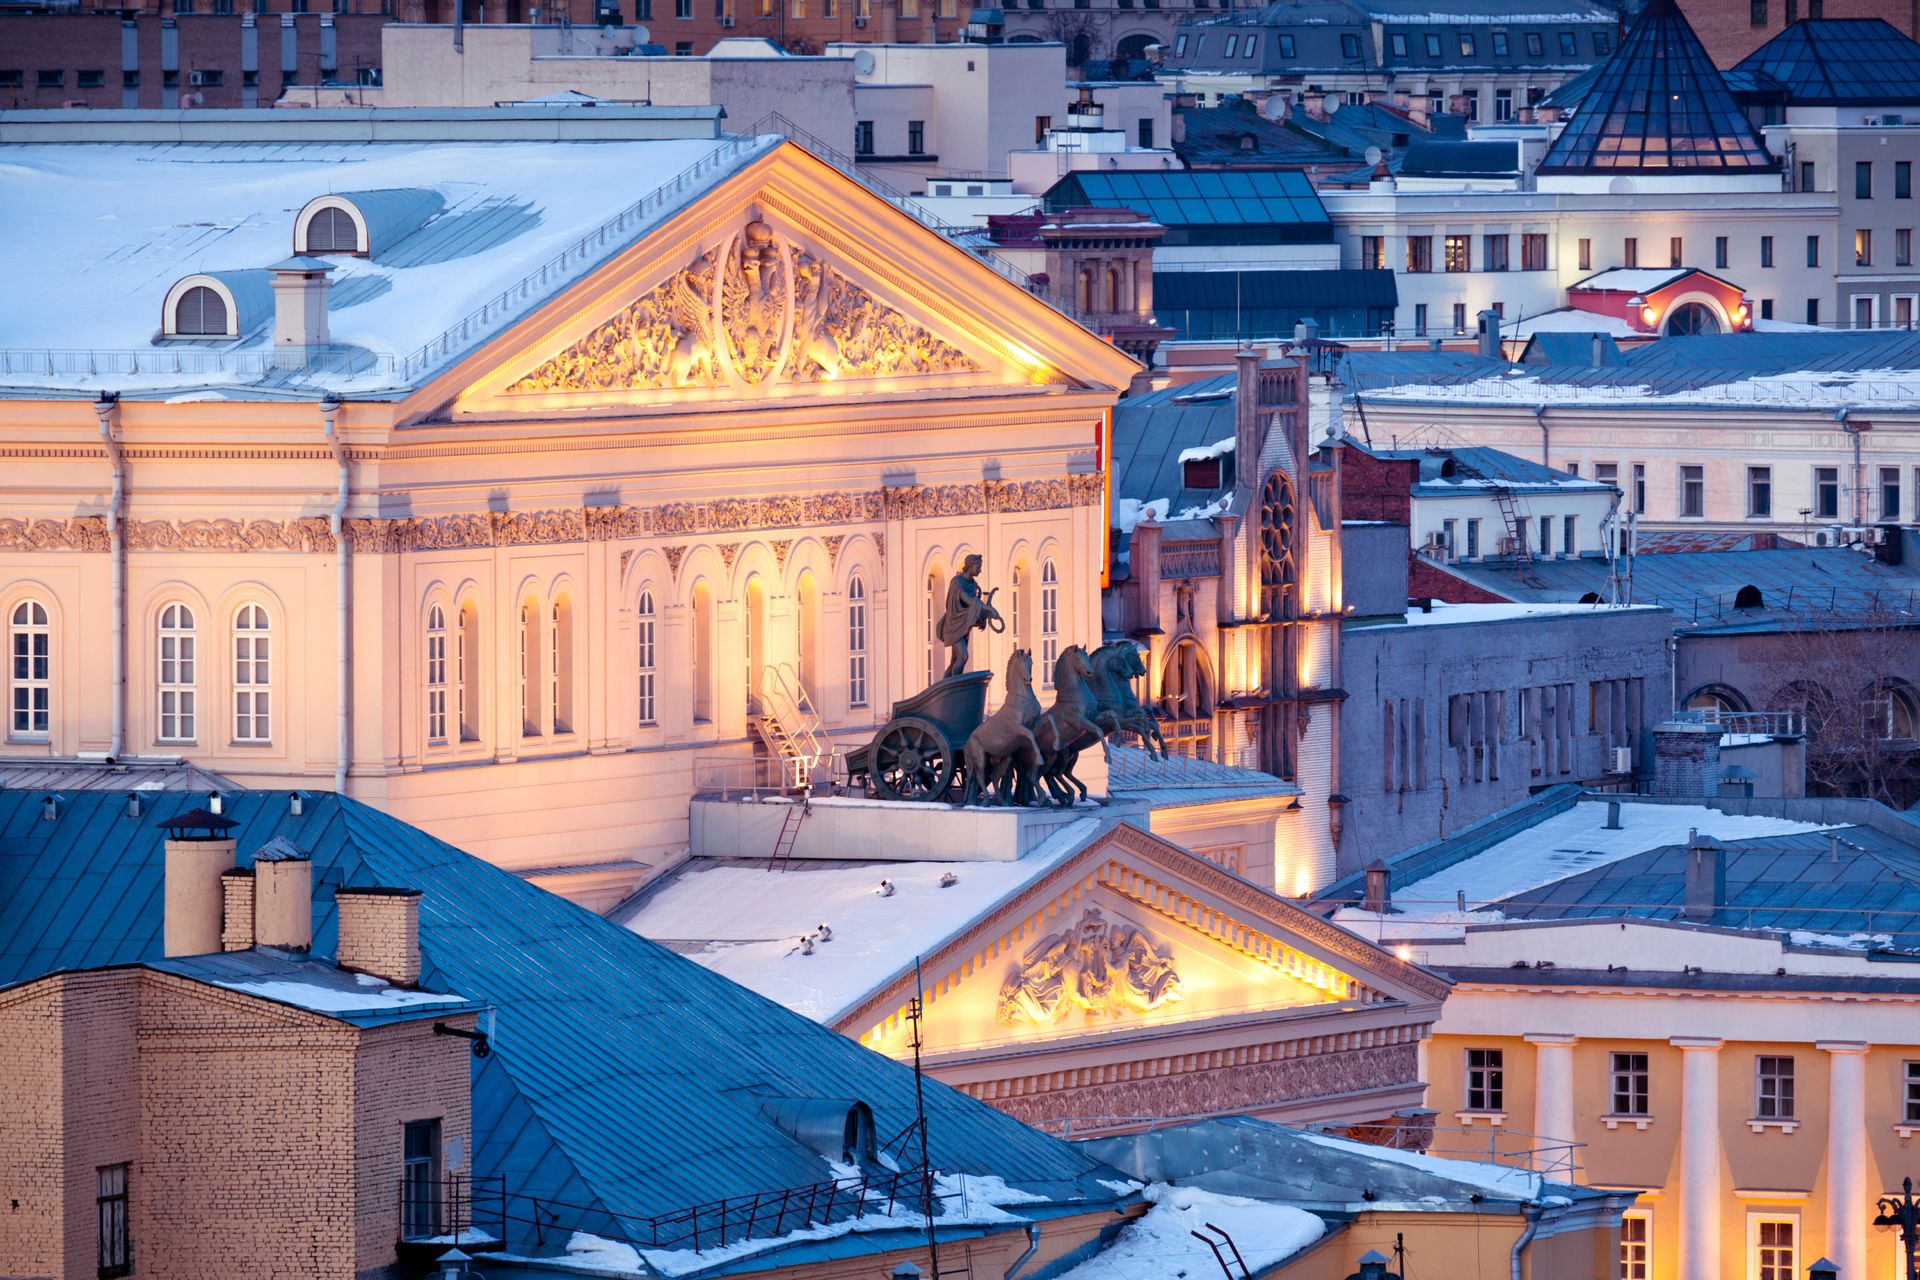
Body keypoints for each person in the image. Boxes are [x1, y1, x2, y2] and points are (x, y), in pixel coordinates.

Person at [936, 553, 1002, 678]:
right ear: (970, 566)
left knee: (955, 661)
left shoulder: (973, 584)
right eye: (978, 567)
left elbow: (970, 609)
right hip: (953, 626)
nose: (980, 570)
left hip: (963, 627)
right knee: (963, 656)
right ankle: (955, 688)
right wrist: (989, 609)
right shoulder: (957, 583)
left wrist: (981, 619)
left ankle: (946, 688)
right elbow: (970, 601)